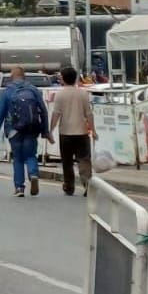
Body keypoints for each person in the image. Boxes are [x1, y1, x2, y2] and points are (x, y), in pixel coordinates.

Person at [0, 66, 52, 197]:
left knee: (18, 158)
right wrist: (45, 130)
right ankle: (33, 174)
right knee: (31, 155)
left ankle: (19, 187)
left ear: (11, 77)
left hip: (14, 129)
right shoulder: (33, 90)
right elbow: (43, 110)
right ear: (24, 76)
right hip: (32, 128)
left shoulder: (7, 91)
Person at [49, 65, 97, 196]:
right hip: (82, 132)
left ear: (63, 79)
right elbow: (89, 114)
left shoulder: (60, 94)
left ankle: (69, 186)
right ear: (76, 78)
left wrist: (50, 130)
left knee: (67, 162)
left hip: (65, 133)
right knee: (84, 160)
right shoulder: (83, 93)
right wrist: (93, 130)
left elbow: (56, 114)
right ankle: (87, 183)